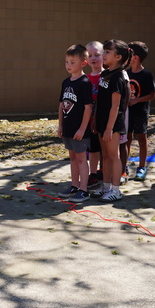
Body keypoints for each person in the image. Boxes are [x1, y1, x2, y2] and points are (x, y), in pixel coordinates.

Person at [95, 39, 130, 202]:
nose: (104, 54)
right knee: (106, 156)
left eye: (107, 52)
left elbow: (116, 106)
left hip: (113, 123)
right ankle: (106, 186)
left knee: (113, 155)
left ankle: (116, 190)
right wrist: (96, 120)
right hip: (102, 121)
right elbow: (101, 101)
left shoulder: (118, 77)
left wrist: (109, 128)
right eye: (104, 51)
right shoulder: (104, 74)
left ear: (118, 57)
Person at [57, 44, 93, 201]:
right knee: (72, 157)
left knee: (81, 158)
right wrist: (60, 126)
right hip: (68, 128)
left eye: (72, 62)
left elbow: (88, 108)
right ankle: (74, 185)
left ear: (83, 63)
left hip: (80, 130)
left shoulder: (85, 82)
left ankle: (84, 190)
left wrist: (82, 129)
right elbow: (61, 104)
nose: (68, 65)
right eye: (66, 62)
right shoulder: (66, 82)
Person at [124, 41, 155, 181]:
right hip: (127, 112)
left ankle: (142, 167)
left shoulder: (146, 74)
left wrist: (136, 100)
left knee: (141, 138)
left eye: (128, 54)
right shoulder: (126, 73)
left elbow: (152, 94)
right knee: (127, 138)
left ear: (135, 57)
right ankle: (123, 165)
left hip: (140, 112)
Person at [84, 40, 104, 193]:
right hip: (89, 121)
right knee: (93, 149)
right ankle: (93, 173)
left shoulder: (108, 77)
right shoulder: (86, 78)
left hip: (103, 121)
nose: (93, 58)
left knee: (107, 149)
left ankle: (106, 172)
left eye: (97, 54)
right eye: (90, 55)